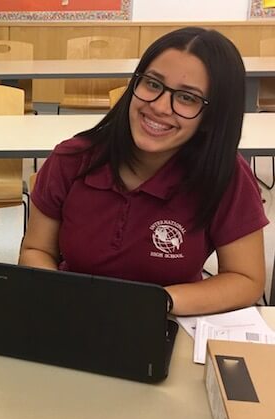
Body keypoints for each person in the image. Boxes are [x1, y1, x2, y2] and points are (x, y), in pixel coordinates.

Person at [19, 27, 268, 316]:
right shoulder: (72, 159)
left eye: (187, 98)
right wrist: (62, 296)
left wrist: (155, 304)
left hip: (167, 321)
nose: (160, 107)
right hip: (73, 316)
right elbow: (36, 251)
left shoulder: (226, 175)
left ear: (212, 117)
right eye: (152, 84)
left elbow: (246, 279)